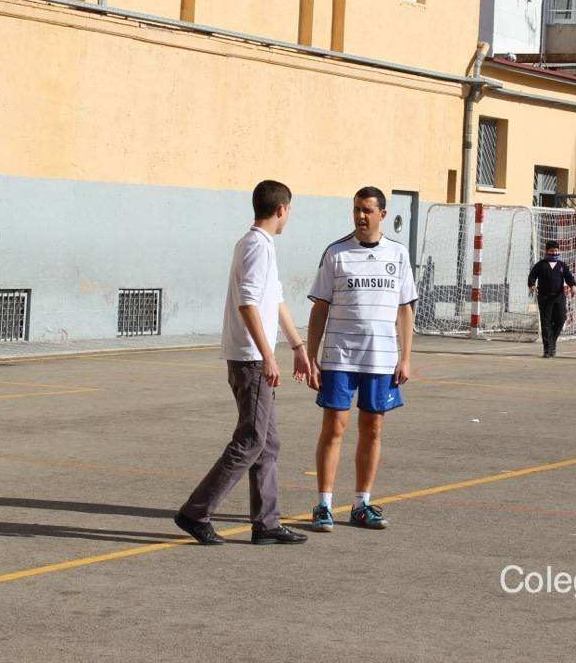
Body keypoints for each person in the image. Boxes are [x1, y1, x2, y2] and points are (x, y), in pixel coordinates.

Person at [174, 180, 312, 546]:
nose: (289, 217)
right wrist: (268, 356)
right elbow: (248, 303)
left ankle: (266, 523)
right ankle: (196, 512)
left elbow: (275, 299)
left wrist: (298, 346)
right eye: (290, 211)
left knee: (268, 442)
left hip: (254, 357)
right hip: (250, 359)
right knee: (251, 440)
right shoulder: (255, 247)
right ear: (282, 209)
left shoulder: (260, 246)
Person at [306, 186, 417, 532]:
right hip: (339, 355)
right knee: (334, 427)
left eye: (368, 210)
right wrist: (311, 356)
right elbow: (320, 307)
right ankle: (324, 504)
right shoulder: (336, 253)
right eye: (357, 209)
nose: (360, 215)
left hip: (381, 360)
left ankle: (361, 504)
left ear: (382, 214)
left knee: (373, 428)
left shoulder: (397, 255)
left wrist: (406, 358)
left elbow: (405, 310)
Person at [527, 240, 576, 358]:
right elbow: (532, 276)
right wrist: (532, 285)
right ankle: (547, 350)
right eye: (551, 251)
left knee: (561, 319)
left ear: (559, 251)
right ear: (547, 251)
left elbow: (569, 277)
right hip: (544, 297)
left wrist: (573, 286)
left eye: (556, 250)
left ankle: (552, 341)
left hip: (559, 296)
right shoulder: (540, 264)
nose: (554, 253)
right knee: (546, 323)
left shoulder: (562, 265)